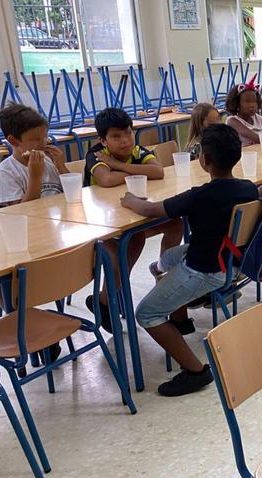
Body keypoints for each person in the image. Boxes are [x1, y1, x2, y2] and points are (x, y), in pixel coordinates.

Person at [120, 124, 258, 396]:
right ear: (238, 156)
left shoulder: (199, 196)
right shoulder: (248, 189)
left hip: (206, 270)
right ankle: (179, 318)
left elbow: (148, 209)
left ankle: (196, 371)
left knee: (146, 313)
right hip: (231, 261)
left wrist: (129, 199)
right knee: (169, 257)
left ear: (203, 160)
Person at [83, 107, 184, 332]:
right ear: (102, 140)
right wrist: (139, 171)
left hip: (131, 215)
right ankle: (105, 299)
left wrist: (119, 165)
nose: (125, 141)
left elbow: (158, 171)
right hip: (99, 225)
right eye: (116, 136)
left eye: (128, 133)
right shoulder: (95, 154)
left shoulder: (137, 150)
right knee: (135, 239)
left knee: (176, 222)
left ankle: (162, 273)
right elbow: (106, 179)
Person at [0, 103, 67, 207]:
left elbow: (72, 191)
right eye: (35, 139)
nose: (43, 143)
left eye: (45, 137)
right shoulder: (6, 171)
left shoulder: (48, 160)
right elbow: (20, 212)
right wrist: (35, 177)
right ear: (14, 141)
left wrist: (61, 167)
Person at [225, 77, 262, 146]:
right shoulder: (232, 121)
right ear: (236, 104)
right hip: (243, 155)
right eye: (247, 101)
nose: (252, 105)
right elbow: (251, 135)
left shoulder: (257, 118)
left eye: (254, 101)